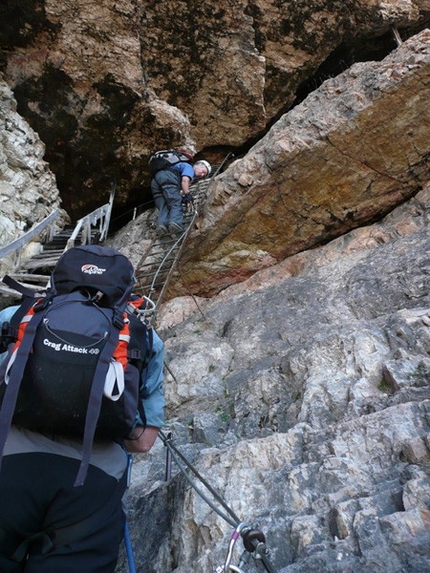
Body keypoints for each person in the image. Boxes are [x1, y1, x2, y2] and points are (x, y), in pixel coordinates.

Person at [0, 302, 165, 573]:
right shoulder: (141, 334)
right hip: (91, 483)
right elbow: (143, 441)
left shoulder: (19, 314)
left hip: (8, 462)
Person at [151, 159, 211, 236]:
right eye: (203, 171)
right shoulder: (189, 168)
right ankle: (175, 224)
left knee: (164, 206)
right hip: (168, 178)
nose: (202, 175)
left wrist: (183, 198)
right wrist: (188, 195)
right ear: (198, 165)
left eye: (204, 175)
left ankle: (162, 226)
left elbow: (172, 193)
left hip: (156, 181)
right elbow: (185, 181)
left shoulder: (179, 167)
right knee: (176, 202)